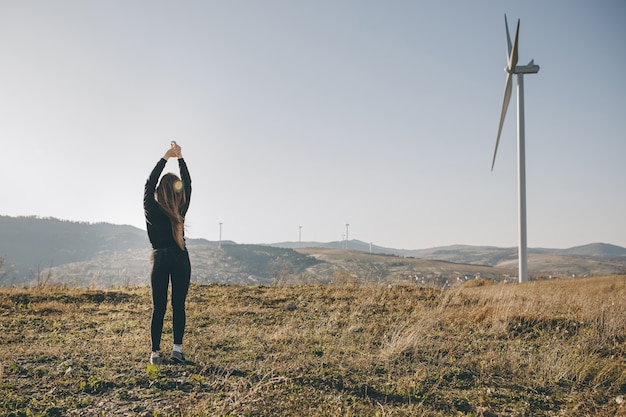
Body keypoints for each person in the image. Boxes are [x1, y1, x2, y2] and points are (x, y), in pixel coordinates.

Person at [143, 141, 192, 365]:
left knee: (159, 307)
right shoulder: (180, 207)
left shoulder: (151, 208)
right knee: (178, 305)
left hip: (159, 258)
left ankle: (155, 354)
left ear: (159, 190)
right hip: (180, 257)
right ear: (177, 190)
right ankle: (177, 350)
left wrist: (166, 157)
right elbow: (188, 184)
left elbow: (148, 184)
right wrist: (180, 158)